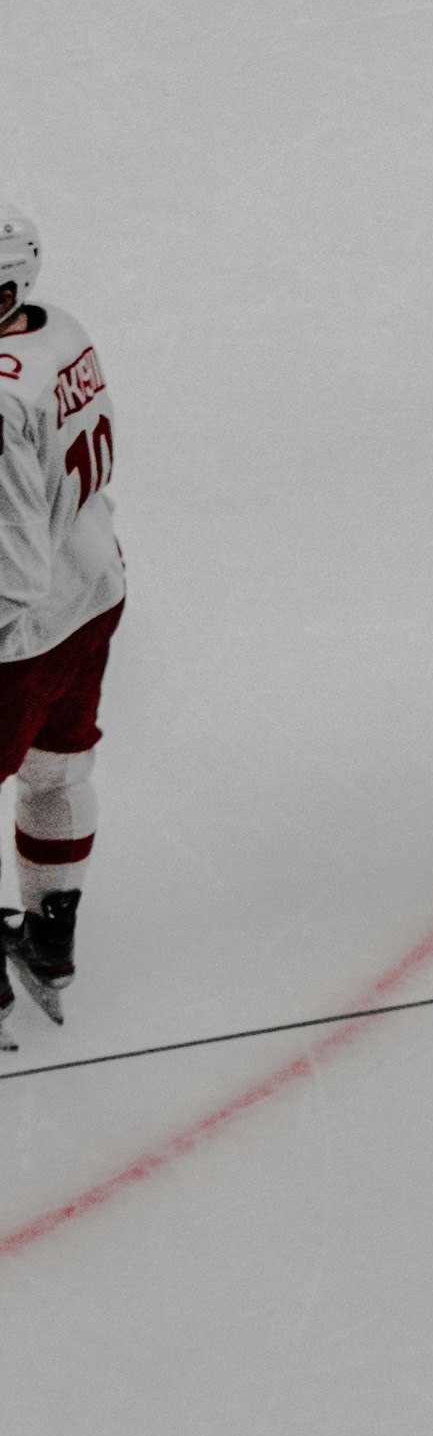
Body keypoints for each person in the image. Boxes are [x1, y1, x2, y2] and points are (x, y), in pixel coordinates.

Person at [0, 211, 123, 1042]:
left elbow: (12, 566)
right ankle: (51, 939)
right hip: (96, 586)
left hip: (21, 634)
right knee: (56, 768)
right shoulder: (60, 329)